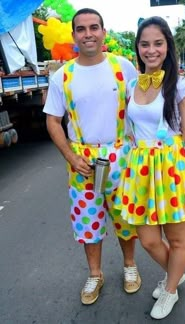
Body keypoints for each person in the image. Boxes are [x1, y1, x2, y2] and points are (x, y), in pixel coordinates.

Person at [114, 16, 185, 319]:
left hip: (172, 169)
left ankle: (170, 289)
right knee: (147, 239)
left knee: (176, 239)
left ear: (167, 46)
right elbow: (129, 128)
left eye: (158, 43)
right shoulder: (132, 85)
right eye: (145, 44)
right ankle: (176, 272)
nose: (151, 50)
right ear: (138, 48)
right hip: (141, 170)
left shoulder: (181, 86)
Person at [43, 8, 141, 306]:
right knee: (89, 221)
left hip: (121, 156)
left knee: (125, 217)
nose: (88, 34)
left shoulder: (123, 68)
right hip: (83, 161)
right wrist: (71, 157)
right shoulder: (63, 76)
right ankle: (95, 274)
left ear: (103, 32)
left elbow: (140, 108)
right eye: (82, 29)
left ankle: (129, 266)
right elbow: (52, 120)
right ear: (74, 35)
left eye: (94, 27)